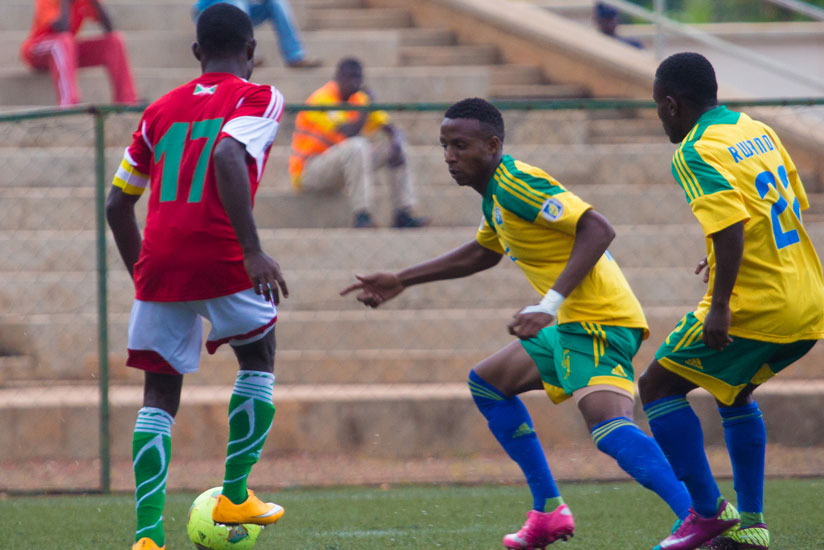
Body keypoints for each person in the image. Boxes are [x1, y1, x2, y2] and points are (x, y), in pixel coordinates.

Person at [341, 97, 692, 549]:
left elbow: (598, 229)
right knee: (488, 383)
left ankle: (697, 518)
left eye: (460, 145)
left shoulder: (517, 182)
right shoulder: (495, 197)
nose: (449, 156)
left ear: (492, 145)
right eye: (444, 145)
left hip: (596, 320)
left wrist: (548, 304)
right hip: (570, 322)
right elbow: (484, 251)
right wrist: (402, 279)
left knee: (607, 425)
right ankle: (548, 511)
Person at [106, 5, 289, 550]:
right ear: (251, 51)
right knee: (257, 355)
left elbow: (118, 205)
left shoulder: (158, 110)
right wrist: (253, 251)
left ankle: (146, 539)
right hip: (221, 252)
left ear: (195, 52)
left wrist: (145, 274)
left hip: (159, 260)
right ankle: (234, 493)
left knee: (159, 393)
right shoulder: (259, 96)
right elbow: (229, 157)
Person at [640, 52, 824, 550]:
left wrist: (720, 302)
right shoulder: (755, 129)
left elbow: (729, 226)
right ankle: (753, 527)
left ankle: (707, 511)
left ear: (673, 105)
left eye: (659, 107)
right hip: (807, 300)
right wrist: (720, 258)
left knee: (657, 387)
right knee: (735, 390)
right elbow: (785, 207)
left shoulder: (694, 151)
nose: (661, 117)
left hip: (756, 304)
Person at [289, 58, 429, 228]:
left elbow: (389, 128)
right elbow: (349, 133)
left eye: (358, 78)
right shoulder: (321, 100)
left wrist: (397, 141)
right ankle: (362, 215)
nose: (355, 82)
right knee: (357, 146)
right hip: (310, 172)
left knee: (396, 147)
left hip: (341, 167)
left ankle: (403, 213)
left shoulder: (359, 99)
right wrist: (367, 107)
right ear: (338, 77)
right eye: (350, 77)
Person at [20, 0, 138, 107]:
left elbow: (109, 28)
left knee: (115, 41)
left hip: (67, 51)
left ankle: (126, 101)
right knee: (63, 41)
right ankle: (68, 104)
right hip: (37, 50)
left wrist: (95, 2)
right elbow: (62, 28)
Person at [194, 0, 320, 68]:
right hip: (210, 12)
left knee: (276, 2)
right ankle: (247, 54)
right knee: (238, 2)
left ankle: (295, 55)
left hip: (243, 11)